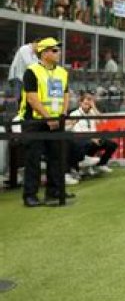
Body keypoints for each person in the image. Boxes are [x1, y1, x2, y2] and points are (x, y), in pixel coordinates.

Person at [17, 37, 72, 207]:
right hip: (34, 121)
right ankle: (30, 195)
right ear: (44, 53)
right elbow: (32, 99)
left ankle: (54, 191)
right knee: (33, 159)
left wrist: (62, 114)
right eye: (54, 50)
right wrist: (48, 118)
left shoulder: (62, 72)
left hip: (55, 120)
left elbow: (66, 94)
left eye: (58, 50)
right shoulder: (32, 71)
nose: (58, 53)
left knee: (56, 157)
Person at [67, 93, 117, 174]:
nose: (88, 106)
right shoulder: (75, 114)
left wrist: (94, 107)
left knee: (112, 144)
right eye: (86, 103)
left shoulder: (92, 112)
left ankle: (101, 164)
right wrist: (92, 138)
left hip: (94, 138)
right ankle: (79, 166)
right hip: (82, 140)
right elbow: (77, 131)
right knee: (88, 143)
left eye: (89, 103)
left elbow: (103, 121)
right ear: (80, 103)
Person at [7, 38, 40, 105]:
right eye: (39, 46)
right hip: (16, 78)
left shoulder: (34, 54)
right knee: (16, 99)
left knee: (22, 100)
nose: (40, 49)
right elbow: (29, 64)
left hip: (23, 79)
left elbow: (38, 65)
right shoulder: (25, 49)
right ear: (35, 43)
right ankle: (11, 110)